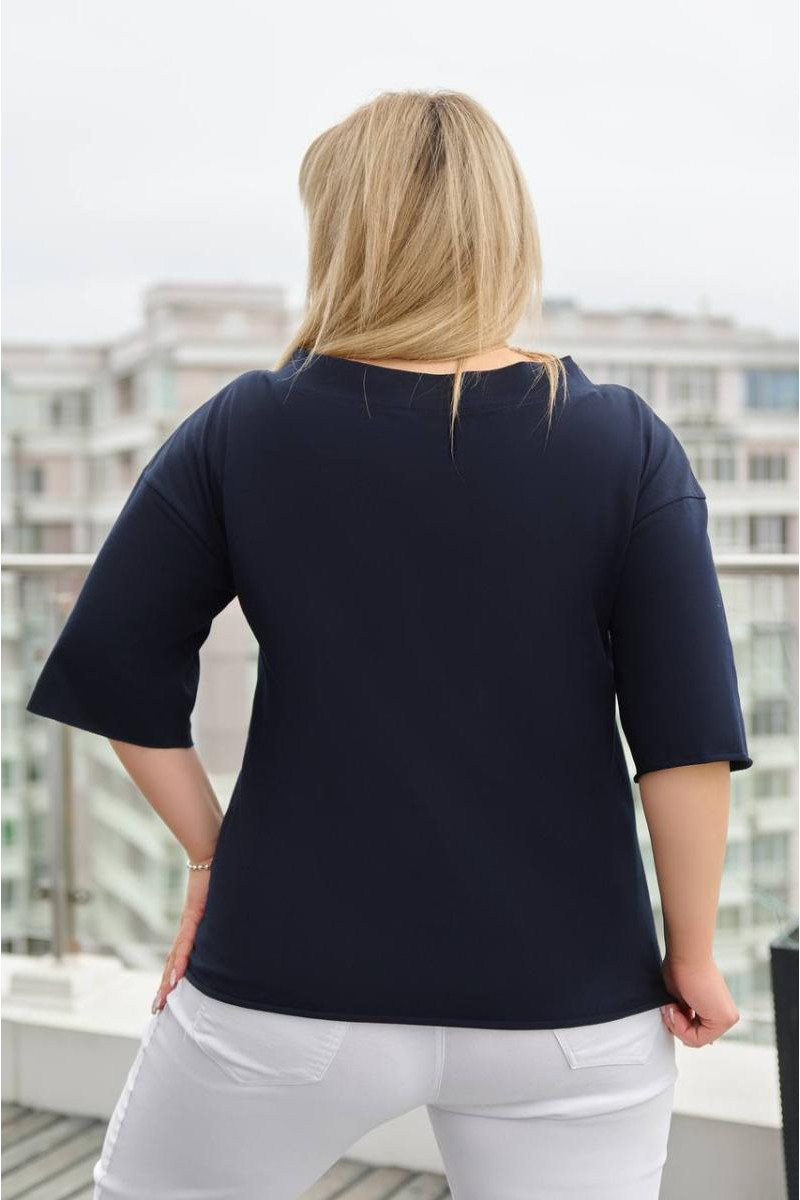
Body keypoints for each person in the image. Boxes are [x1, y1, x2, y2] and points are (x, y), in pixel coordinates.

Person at [26, 89, 752, 1200]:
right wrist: (690, 953)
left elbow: (118, 668)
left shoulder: (247, 425)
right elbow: (684, 736)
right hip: (571, 1007)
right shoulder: (622, 442)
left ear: (341, 233)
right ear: (503, 231)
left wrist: (215, 858)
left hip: (283, 982)